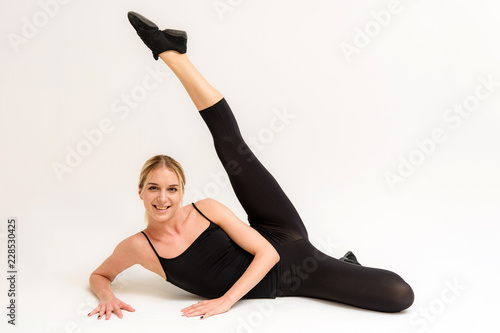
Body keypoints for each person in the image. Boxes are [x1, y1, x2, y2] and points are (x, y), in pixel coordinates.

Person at [88, 11, 414, 321]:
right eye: (154, 189)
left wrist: (225, 302)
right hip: (290, 277)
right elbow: (100, 275)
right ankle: (347, 266)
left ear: (182, 192)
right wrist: (107, 296)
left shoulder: (205, 209)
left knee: (233, 149)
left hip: (283, 249)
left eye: (172, 189)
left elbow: (269, 254)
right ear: (141, 193)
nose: (163, 198)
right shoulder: (137, 247)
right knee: (400, 295)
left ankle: (173, 54)